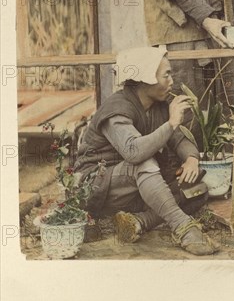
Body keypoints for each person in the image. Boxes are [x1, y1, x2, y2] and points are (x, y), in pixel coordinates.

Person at [74, 47, 220, 256]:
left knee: (197, 188)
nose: (172, 80)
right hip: (98, 184)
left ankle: (138, 222)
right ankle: (183, 228)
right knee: (144, 163)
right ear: (145, 79)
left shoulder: (158, 106)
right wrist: (170, 124)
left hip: (134, 187)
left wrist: (191, 159)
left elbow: (179, 139)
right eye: (166, 74)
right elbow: (134, 152)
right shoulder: (117, 108)